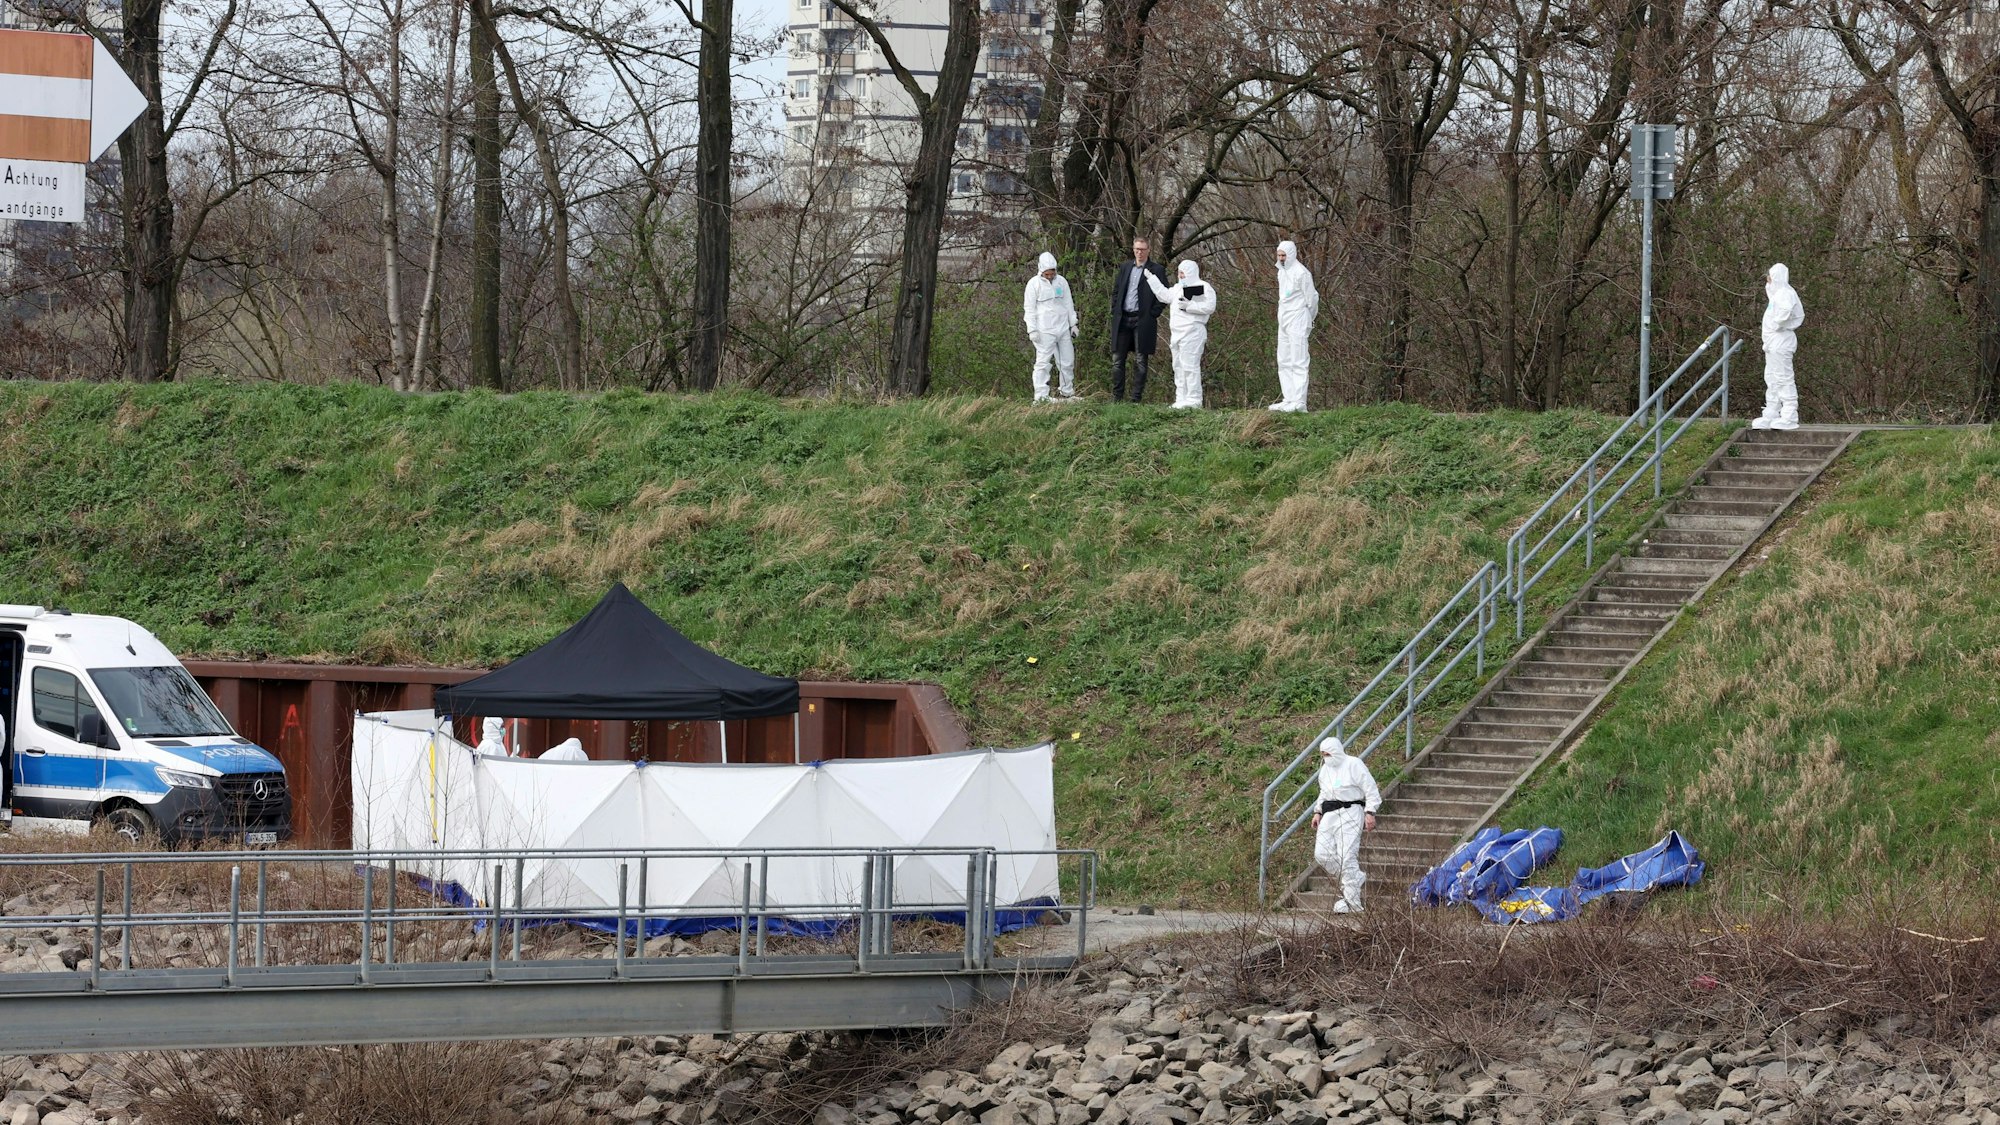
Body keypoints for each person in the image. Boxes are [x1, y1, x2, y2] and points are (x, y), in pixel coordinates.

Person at [1309, 736, 1380, 913]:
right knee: (1322, 854)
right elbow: (1324, 793)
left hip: (1351, 811)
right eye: (1323, 755)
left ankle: (1352, 902)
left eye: (1328, 754)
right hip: (1330, 813)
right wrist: (1318, 811)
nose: (1326, 758)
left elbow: (1370, 788)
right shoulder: (1325, 770)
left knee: (1347, 855)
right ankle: (1354, 877)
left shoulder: (1353, 764)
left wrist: (1369, 812)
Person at [1142, 260, 1218, 409]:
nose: (1180, 275)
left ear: (1190, 272)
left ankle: (1194, 399)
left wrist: (1189, 306)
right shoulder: (1178, 288)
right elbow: (1164, 295)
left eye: (1183, 272)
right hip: (1177, 333)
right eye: (1179, 272)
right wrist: (1152, 279)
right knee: (1178, 366)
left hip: (1193, 332)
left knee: (1190, 366)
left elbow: (1209, 307)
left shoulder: (1203, 287)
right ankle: (1181, 397)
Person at [1108, 236, 1169, 402]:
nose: (1139, 252)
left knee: (1141, 360)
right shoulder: (1126, 267)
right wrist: (1115, 309)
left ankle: (1135, 399)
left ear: (1148, 250)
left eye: (1142, 249)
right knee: (1117, 360)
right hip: (1123, 319)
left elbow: (1164, 295)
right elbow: (1117, 290)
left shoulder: (1156, 269)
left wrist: (1153, 313)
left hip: (1142, 321)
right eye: (1136, 249)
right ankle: (1117, 398)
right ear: (1133, 249)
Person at [1022, 251, 1079, 403]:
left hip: (1062, 327)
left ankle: (1067, 391)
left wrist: (1073, 323)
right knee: (1043, 362)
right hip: (1044, 330)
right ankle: (1041, 395)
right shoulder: (1033, 284)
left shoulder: (1061, 282)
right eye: (1047, 274)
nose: (1049, 277)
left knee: (1067, 361)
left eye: (1051, 273)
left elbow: (1068, 303)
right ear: (1041, 271)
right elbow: (1029, 308)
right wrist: (1032, 329)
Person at [1270, 240, 1319, 413]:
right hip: (1284, 318)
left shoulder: (1301, 273)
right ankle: (1288, 398)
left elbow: (1312, 298)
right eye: (1279, 255)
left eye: (1284, 255)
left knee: (1298, 360)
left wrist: (1308, 318)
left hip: (1298, 317)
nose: (1282, 258)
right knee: (1284, 359)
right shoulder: (1281, 272)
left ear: (1291, 254)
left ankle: (1299, 402)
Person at [1755, 262, 1804, 431]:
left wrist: (1777, 324)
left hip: (1781, 340)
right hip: (1773, 342)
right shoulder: (1778, 294)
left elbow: (1784, 313)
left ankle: (1789, 415)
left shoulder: (1785, 293)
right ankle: (1772, 412)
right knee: (1772, 378)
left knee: (1783, 378)